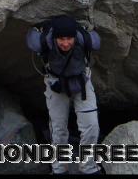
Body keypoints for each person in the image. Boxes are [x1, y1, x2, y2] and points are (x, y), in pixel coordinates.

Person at [26, 15, 102, 175]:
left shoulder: (84, 40)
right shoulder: (43, 43)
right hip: (55, 84)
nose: (66, 43)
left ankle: (88, 168)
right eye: (61, 39)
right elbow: (31, 39)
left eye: (69, 38)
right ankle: (59, 170)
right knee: (58, 130)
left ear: (75, 37)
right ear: (54, 38)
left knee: (91, 126)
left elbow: (96, 41)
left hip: (81, 82)